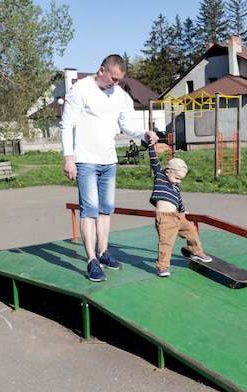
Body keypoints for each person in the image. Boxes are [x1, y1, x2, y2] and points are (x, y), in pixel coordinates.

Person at [60, 54, 158, 282]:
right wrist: (68, 158)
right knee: (90, 209)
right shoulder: (80, 89)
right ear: (101, 70)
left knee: (106, 209)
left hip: (108, 161)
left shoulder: (120, 96)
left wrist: (143, 133)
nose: (115, 84)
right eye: (113, 79)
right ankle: (91, 260)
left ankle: (103, 252)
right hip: (85, 160)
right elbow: (67, 124)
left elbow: (126, 124)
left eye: (119, 80)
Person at [144, 138, 212, 277]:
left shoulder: (176, 185)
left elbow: (178, 199)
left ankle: (197, 252)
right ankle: (162, 267)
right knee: (166, 243)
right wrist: (151, 145)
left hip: (177, 216)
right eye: (177, 178)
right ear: (168, 171)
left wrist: (182, 210)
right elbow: (154, 160)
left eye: (181, 179)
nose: (178, 181)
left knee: (191, 232)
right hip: (165, 219)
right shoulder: (160, 176)